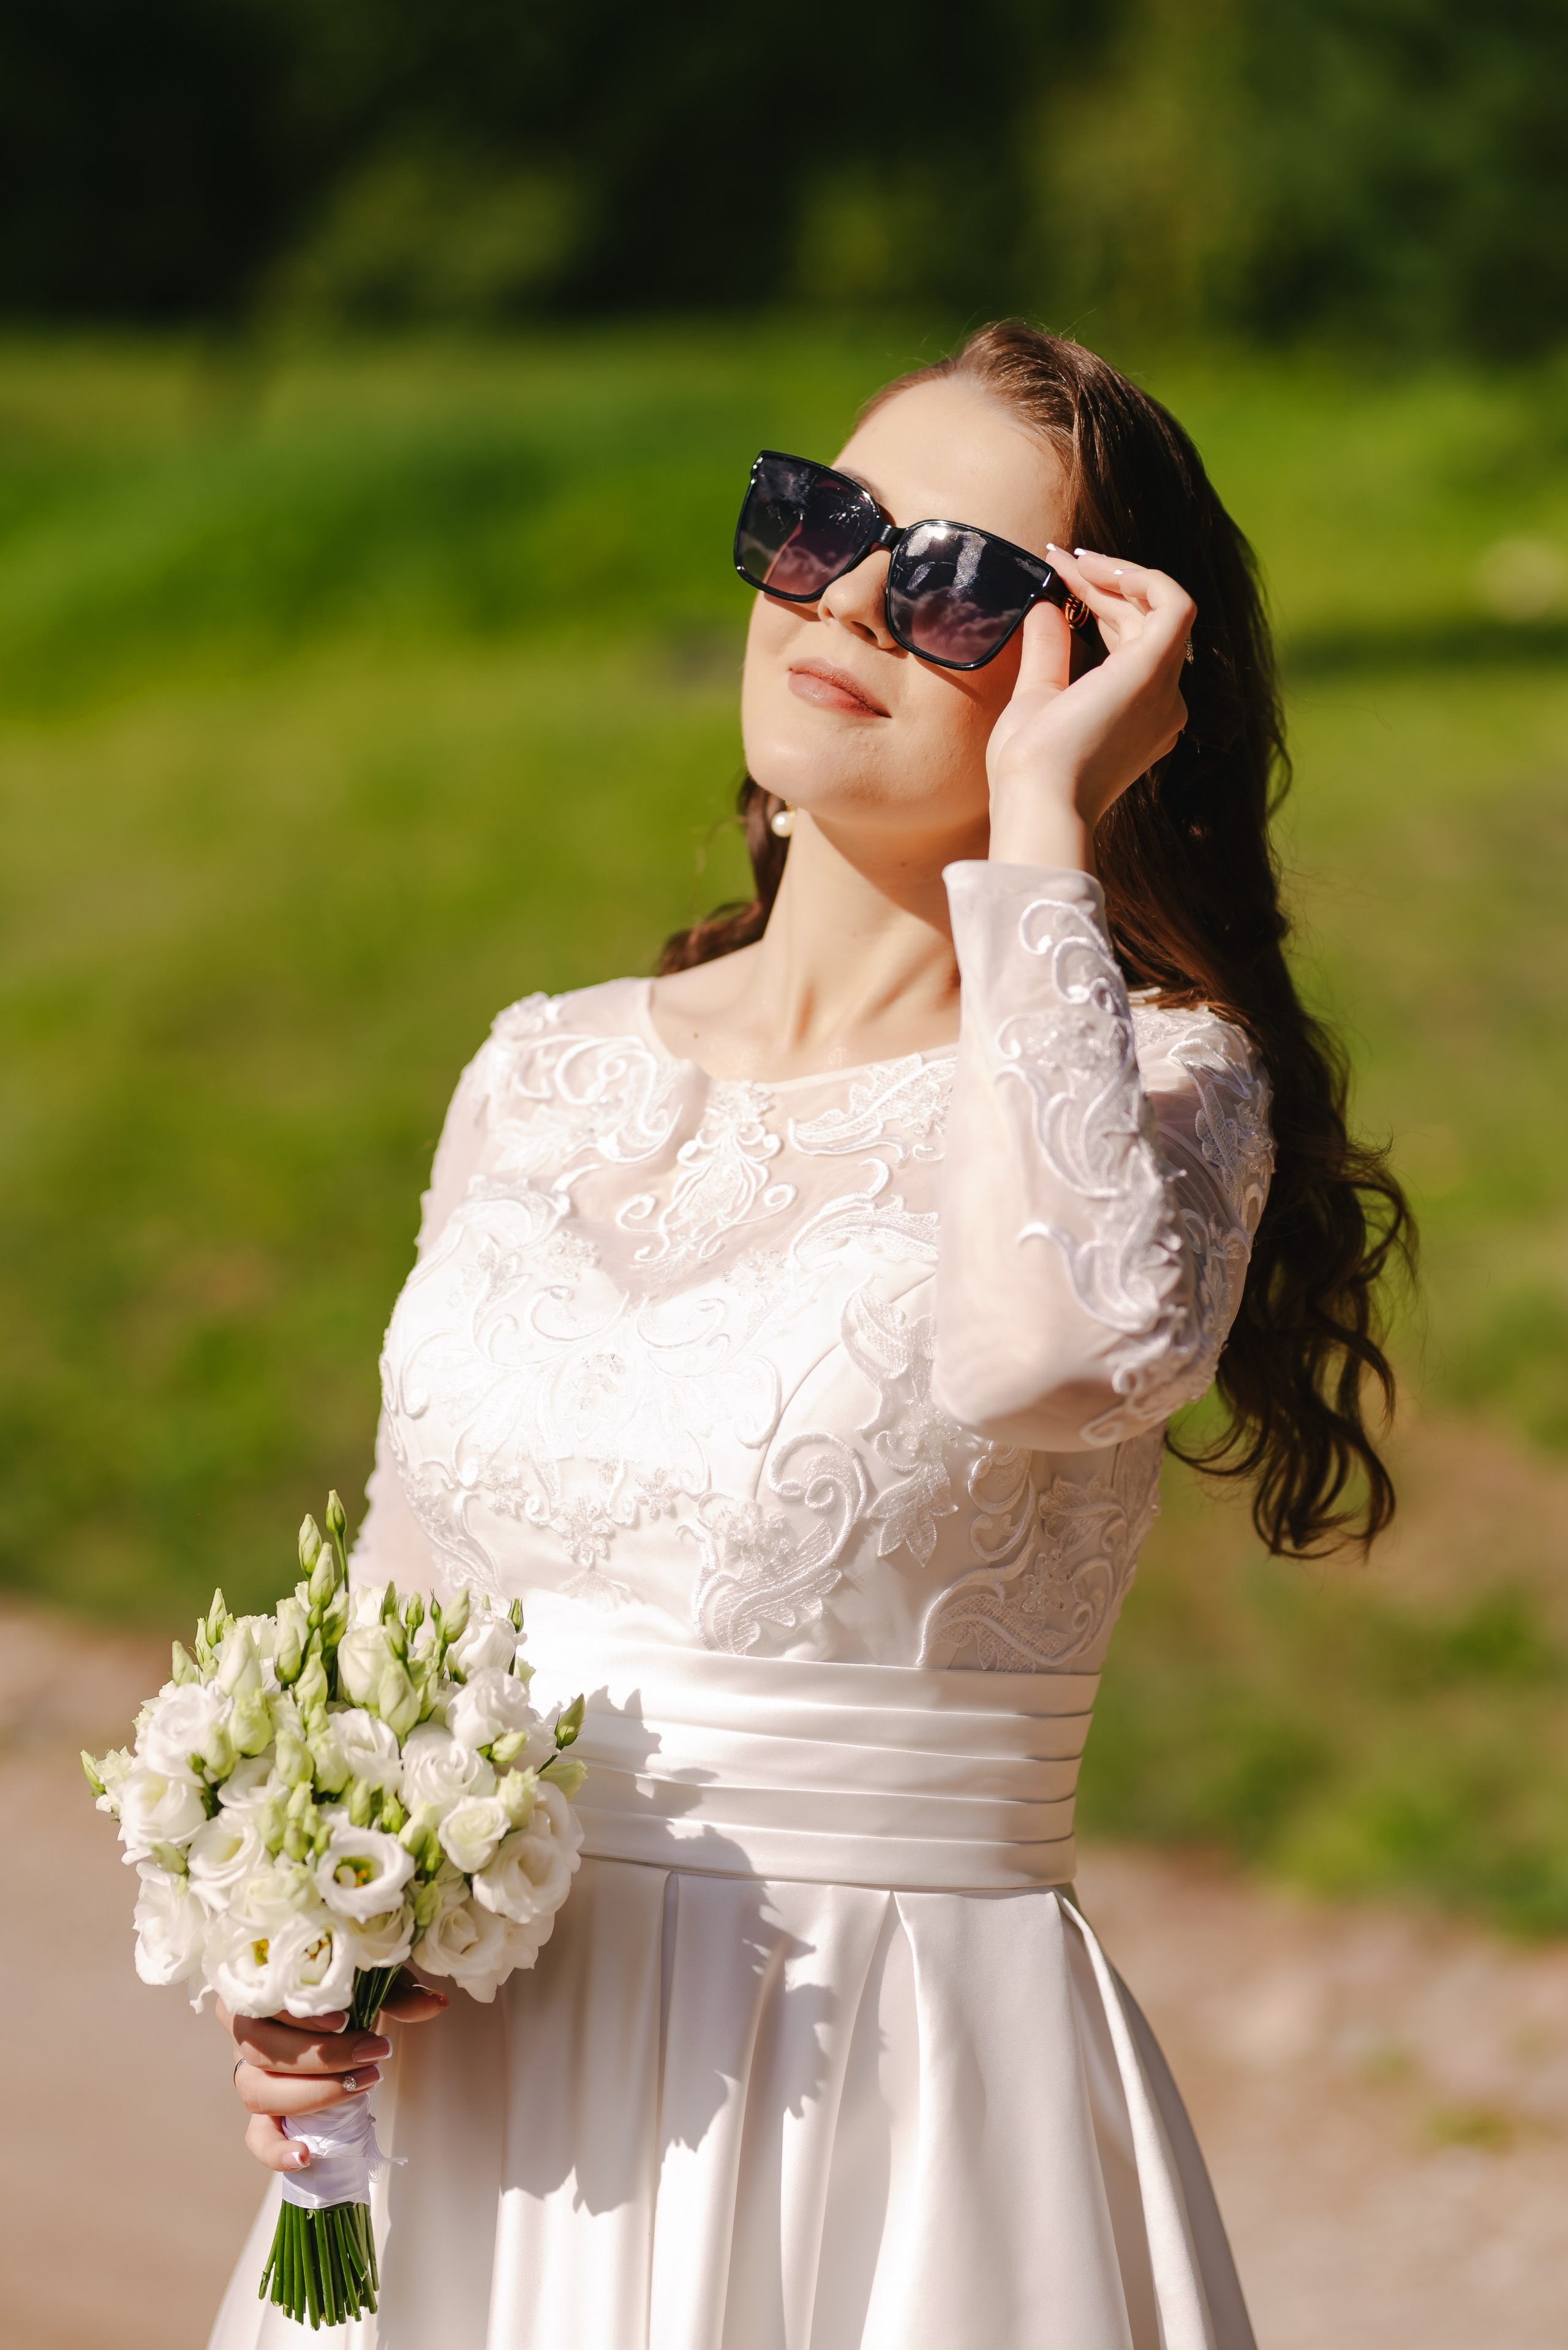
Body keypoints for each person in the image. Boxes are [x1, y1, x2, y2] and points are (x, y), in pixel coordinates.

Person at [209, 322, 1407, 2350]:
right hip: (470, 2124)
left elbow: (1054, 1355)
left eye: (957, 584)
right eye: (820, 522)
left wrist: (1044, 827)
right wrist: (304, 1951)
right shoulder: (539, 1069)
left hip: (880, 2120)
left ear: (1105, 685)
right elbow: (403, 1619)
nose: (848, 597)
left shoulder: (1165, 1094)